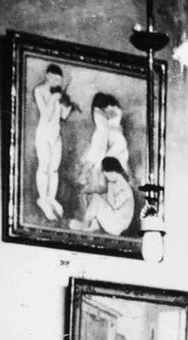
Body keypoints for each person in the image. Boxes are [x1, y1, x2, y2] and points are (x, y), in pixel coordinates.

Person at [32, 63, 77, 220]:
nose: (58, 83)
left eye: (60, 80)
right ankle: (43, 200)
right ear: (48, 76)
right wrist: (53, 98)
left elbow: (63, 116)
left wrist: (68, 106)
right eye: (56, 79)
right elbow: (45, 115)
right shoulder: (39, 91)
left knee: (54, 169)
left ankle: (51, 198)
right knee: (44, 167)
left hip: (56, 135)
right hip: (44, 134)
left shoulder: (57, 93)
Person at [69, 156, 136, 236]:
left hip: (118, 224)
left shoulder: (124, 187)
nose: (107, 178)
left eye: (107, 175)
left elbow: (113, 205)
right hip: (115, 219)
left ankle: (84, 225)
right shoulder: (114, 182)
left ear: (113, 172)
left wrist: (104, 196)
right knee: (93, 197)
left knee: (96, 199)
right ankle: (93, 225)